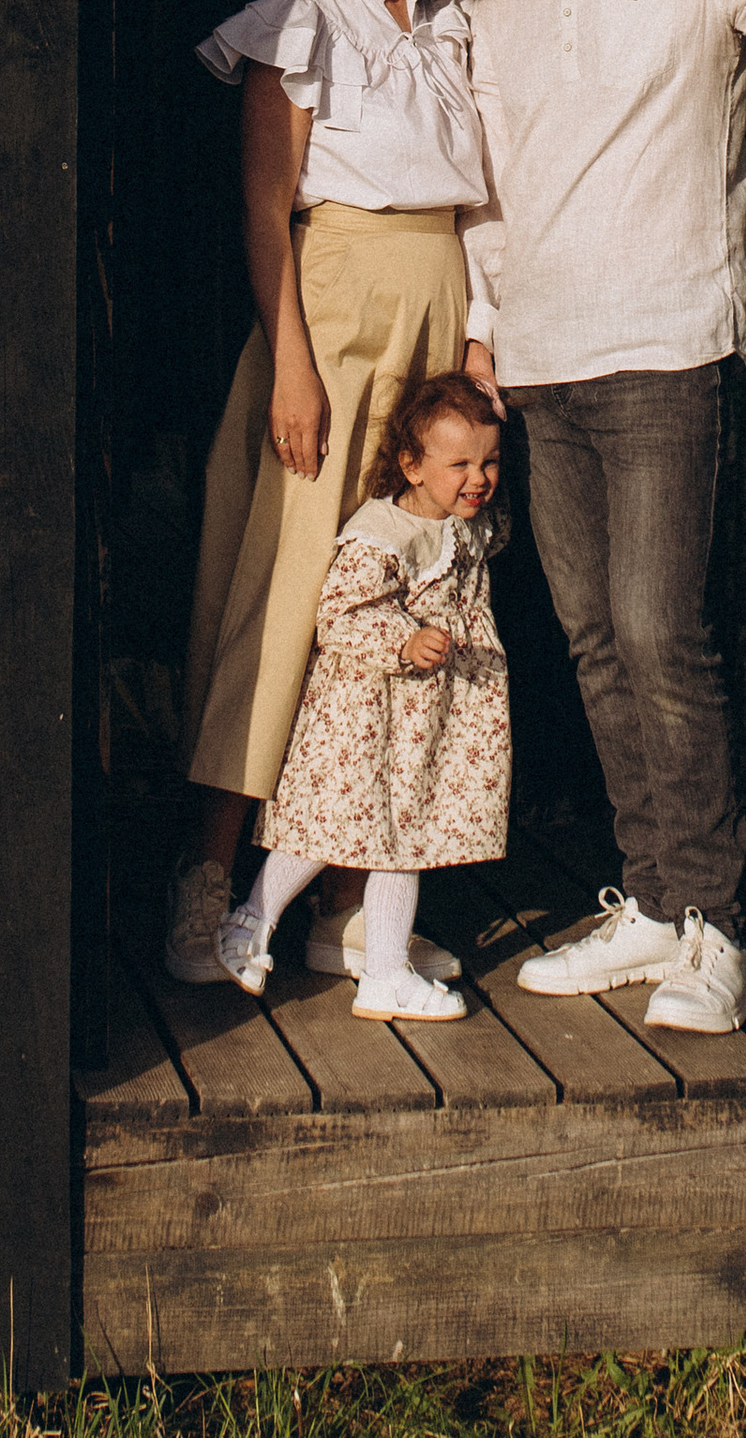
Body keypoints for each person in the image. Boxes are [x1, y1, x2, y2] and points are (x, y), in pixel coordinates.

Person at [443, 0, 746, 1036]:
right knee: (589, 637)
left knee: (658, 632)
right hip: (539, 356)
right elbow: (485, 178)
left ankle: (718, 926)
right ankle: (654, 901)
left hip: (664, 339)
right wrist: (483, 328)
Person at [162, 0, 502, 990]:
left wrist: (477, 335)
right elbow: (266, 212)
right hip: (336, 312)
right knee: (290, 584)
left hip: (436, 304)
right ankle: (208, 881)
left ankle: (353, 905)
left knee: (411, 586)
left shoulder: (455, 25)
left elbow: (480, 203)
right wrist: (293, 365)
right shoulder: (297, 25)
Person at [217, 368, 510, 1024]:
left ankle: (383, 972)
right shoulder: (383, 532)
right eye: (460, 464)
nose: (478, 479)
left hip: (424, 726)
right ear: (411, 465)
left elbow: (489, 542)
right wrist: (404, 639)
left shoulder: (466, 525)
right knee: (329, 826)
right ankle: (252, 922)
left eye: (489, 462)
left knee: (407, 840)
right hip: (367, 716)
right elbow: (342, 613)